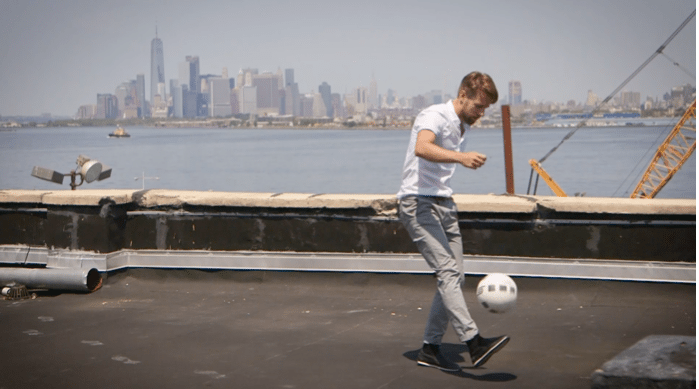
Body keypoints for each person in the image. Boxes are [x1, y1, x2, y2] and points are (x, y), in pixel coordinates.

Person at [397, 71, 509, 371]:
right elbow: (422, 147)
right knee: (447, 272)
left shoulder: (461, 123)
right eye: (478, 106)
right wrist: (461, 158)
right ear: (462, 95)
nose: (481, 113)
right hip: (417, 203)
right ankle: (474, 342)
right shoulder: (434, 115)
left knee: (455, 278)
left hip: (444, 203)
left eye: (486, 108)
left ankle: (430, 349)